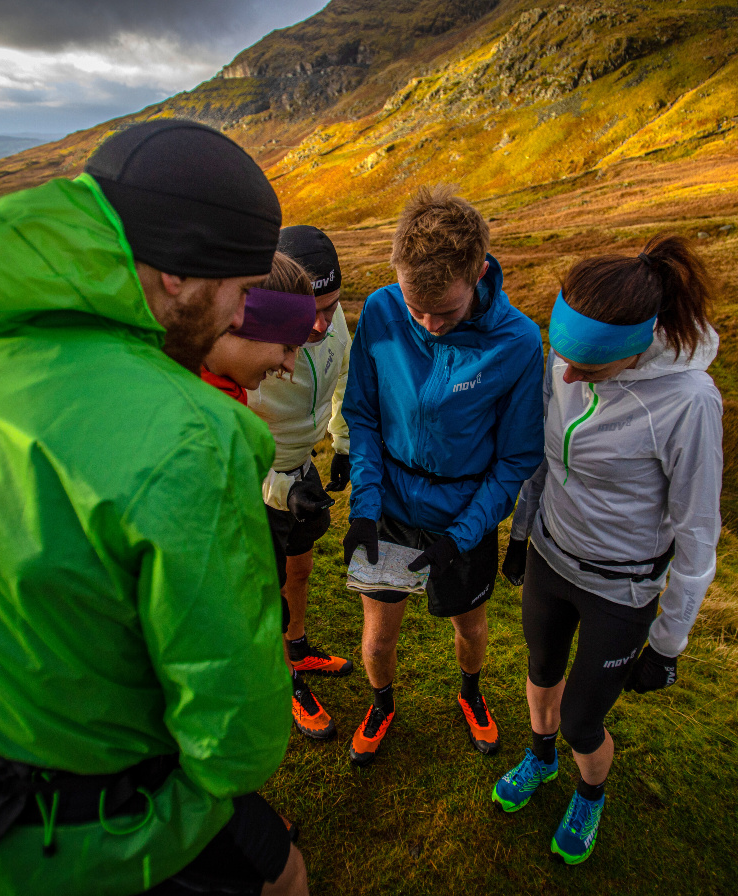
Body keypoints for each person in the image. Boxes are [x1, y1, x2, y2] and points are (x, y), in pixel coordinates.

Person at [0, 120, 308, 896]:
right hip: (115, 830)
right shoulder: (193, 433)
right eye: (239, 292)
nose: (239, 318)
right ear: (177, 276)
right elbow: (238, 734)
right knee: (282, 877)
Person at [492, 235, 723, 866]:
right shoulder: (563, 362)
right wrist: (521, 534)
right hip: (550, 556)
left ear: (634, 349)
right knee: (541, 672)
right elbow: (542, 457)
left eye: (587, 369)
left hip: (620, 590)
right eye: (562, 358)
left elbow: (698, 534)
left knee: (582, 722)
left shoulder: (689, 403)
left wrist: (668, 645)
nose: (567, 375)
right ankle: (540, 759)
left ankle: (590, 794)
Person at [341, 185, 543, 766]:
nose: (429, 324)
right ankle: (382, 704)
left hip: (464, 515)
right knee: (378, 637)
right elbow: (363, 416)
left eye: (447, 312)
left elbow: (516, 459)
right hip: (390, 510)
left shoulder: (518, 342)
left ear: (479, 273)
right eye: (416, 309)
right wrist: (364, 508)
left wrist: (463, 534)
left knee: (471, 629)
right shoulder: (381, 310)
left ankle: (471, 694)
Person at [246, 226, 356, 742]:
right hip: (255, 476)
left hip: (301, 465)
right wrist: (282, 491)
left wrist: (342, 443)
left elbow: (344, 375)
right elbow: (225, 446)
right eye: (309, 312)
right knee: (264, 589)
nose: (320, 324)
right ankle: (282, 678)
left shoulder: (331, 322)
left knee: (301, 566)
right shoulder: (247, 343)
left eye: (331, 307)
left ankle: (297, 648)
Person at [201, 252, 317, 405]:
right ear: (235, 322)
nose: (290, 367)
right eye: (287, 348)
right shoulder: (198, 406)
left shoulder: (220, 392)